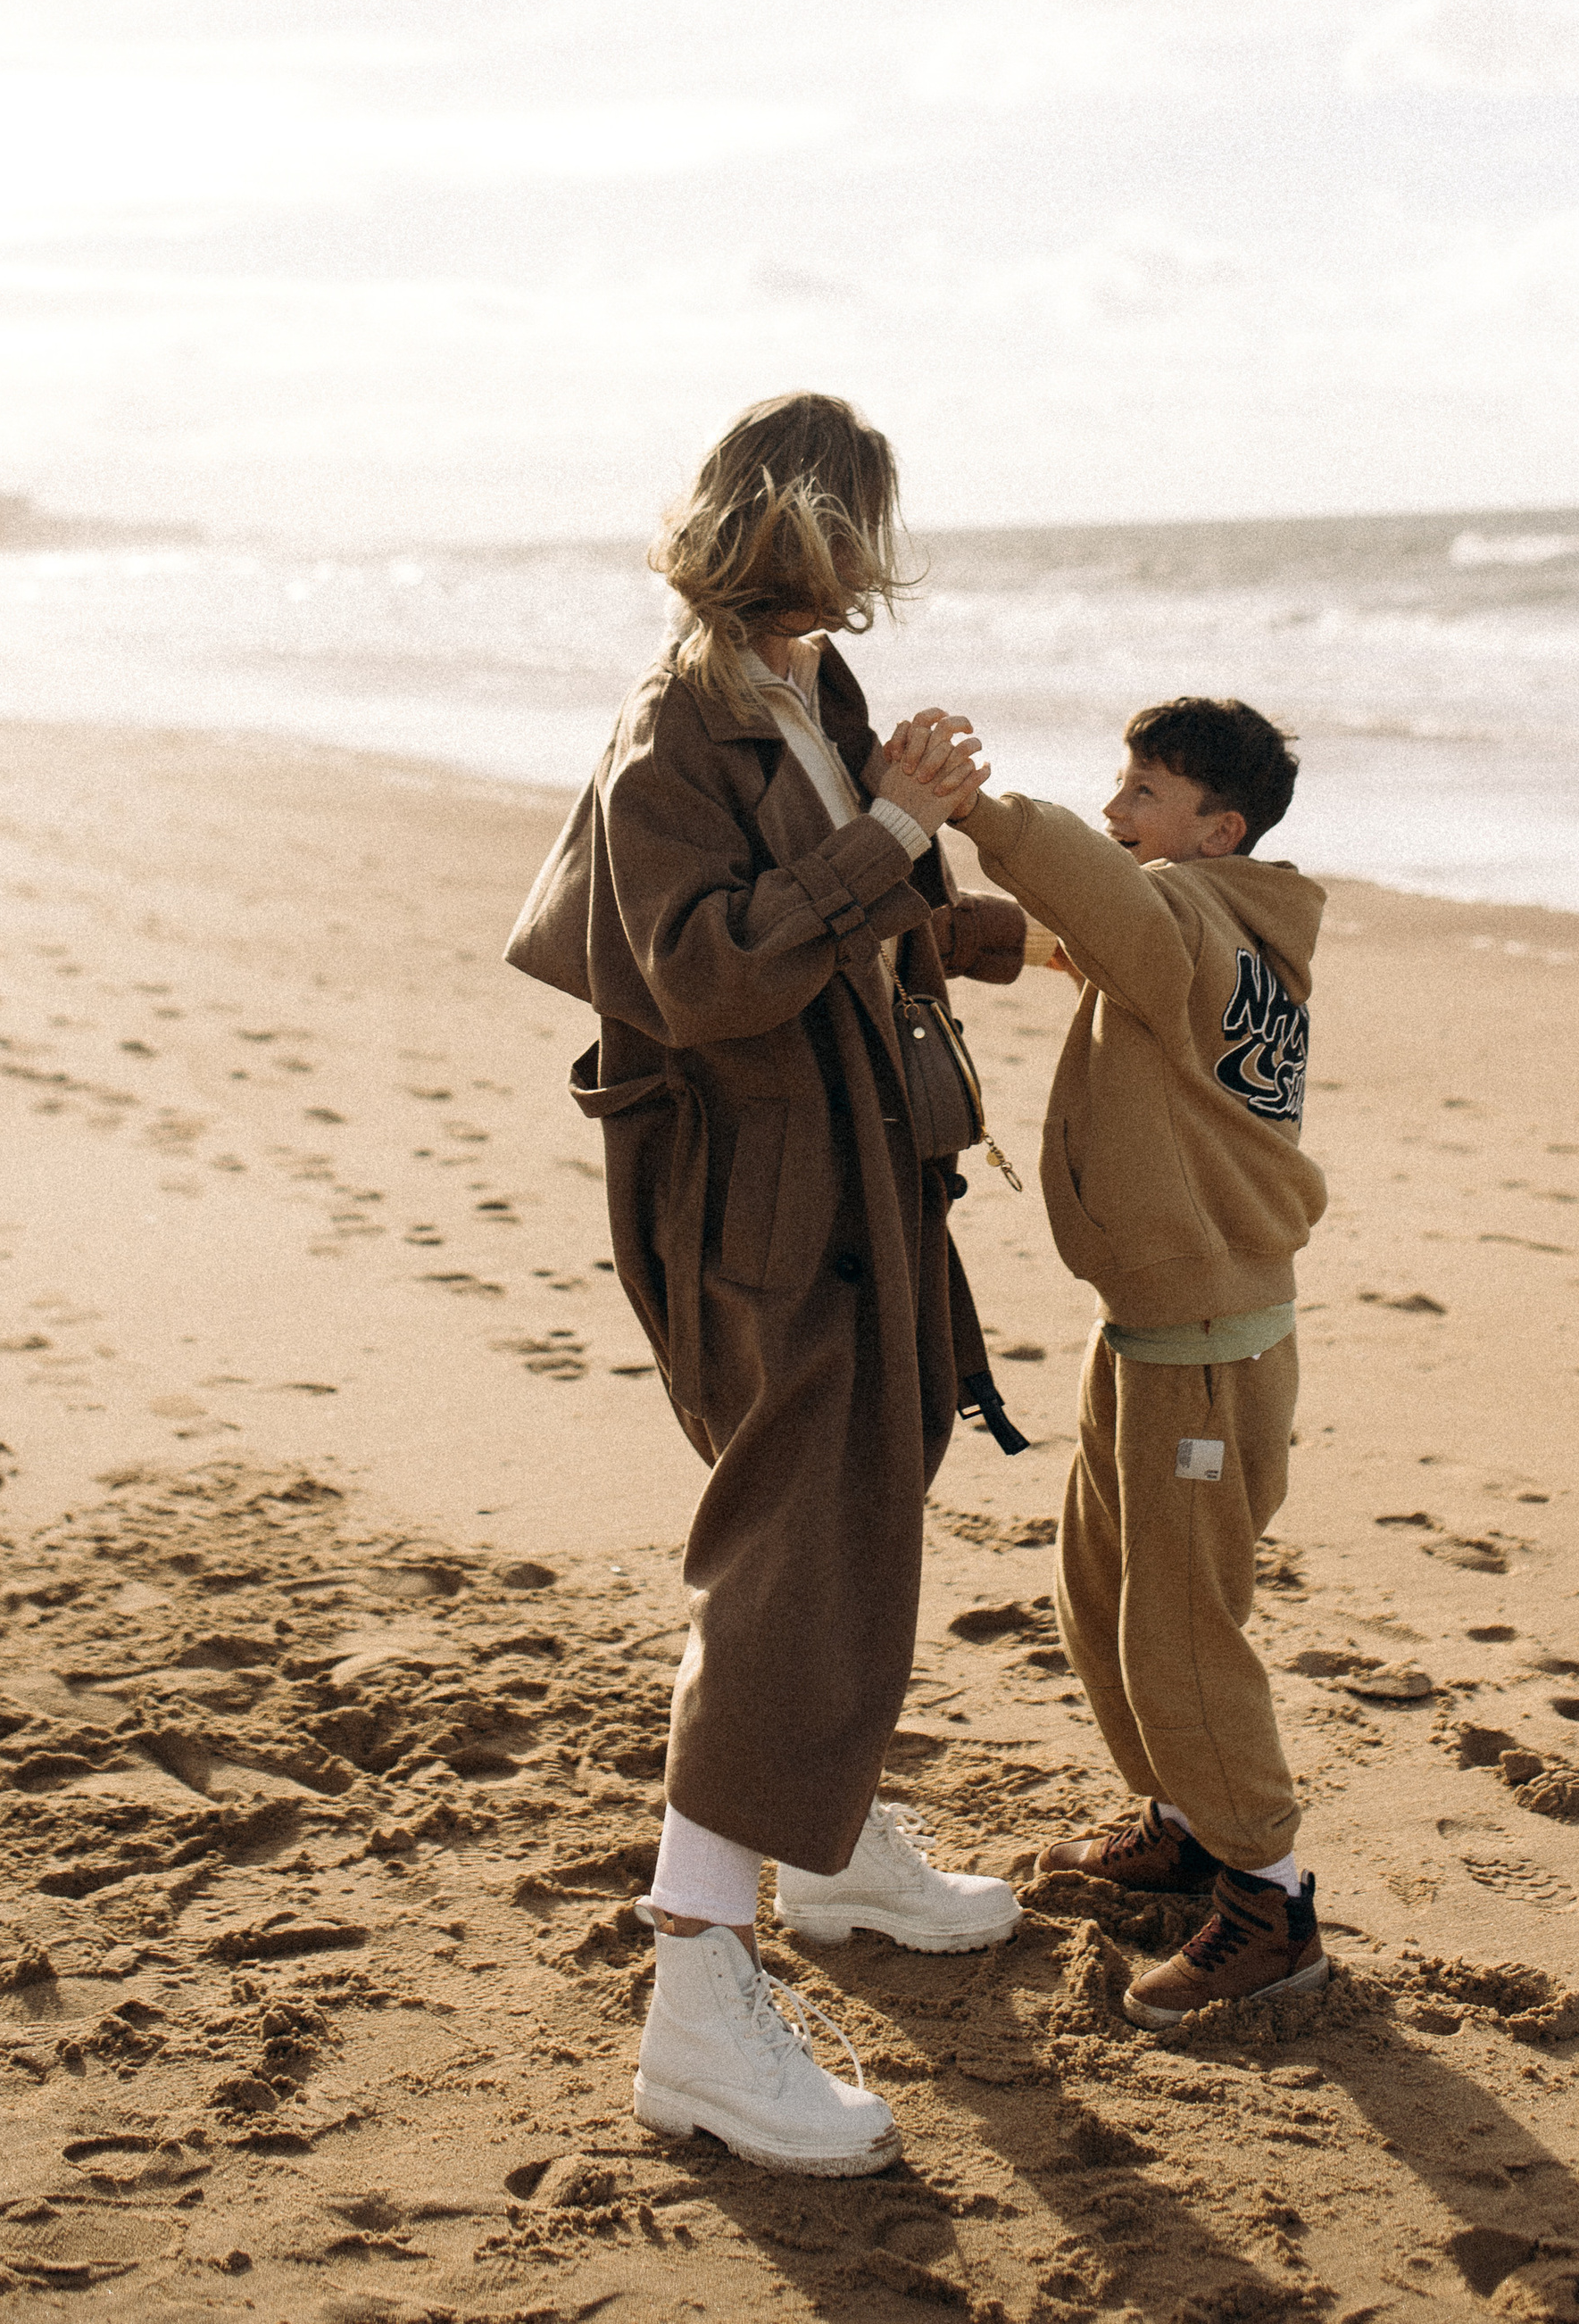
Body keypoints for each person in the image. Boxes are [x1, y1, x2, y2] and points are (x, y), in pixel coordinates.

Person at [505, 393, 1031, 2176]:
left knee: (866, 1500)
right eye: (856, 528)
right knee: (786, 1550)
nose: (866, 565)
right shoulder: (670, 730)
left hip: (863, 1175)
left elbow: (842, 910)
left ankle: (824, 1841)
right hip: (757, 1205)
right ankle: (692, 2003)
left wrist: (964, 907)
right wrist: (885, 835)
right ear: (799, 527)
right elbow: (711, 975)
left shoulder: (815, 692)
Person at [942, 695, 1332, 2030]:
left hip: (1205, 1355)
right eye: (1117, 786)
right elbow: (1116, 936)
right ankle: (1181, 1827)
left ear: (1218, 830)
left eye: (1148, 793)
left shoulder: (1188, 928)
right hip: (1159, 1331)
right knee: (1100, 1586)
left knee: (1179, 1623)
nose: (1118, 811)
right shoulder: (1217, 927)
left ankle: (1271, 1903)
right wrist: (1028, 945)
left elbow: (1117, 908)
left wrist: (975, 812)